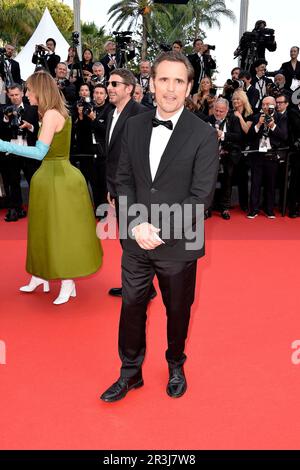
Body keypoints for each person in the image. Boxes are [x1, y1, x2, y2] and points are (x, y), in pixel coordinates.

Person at [100, 52, 219, 403]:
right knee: (132, 306)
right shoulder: (134, 126)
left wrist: (160, 231)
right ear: (151, 84)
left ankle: (175, 363)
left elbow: (201, 197)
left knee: (178, 310)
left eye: (178, 81)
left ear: (189, 87)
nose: (170, 88)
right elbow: (122, 179)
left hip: (179, 242)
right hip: (136, 239)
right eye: (163, 79)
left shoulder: (203, 134)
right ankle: (129, 372)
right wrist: (136, 224)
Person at [0, 71, 102, 304]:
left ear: (40, 90)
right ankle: (40, 275)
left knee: (61, 231)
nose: (27, 94)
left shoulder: (51, 115)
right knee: (41, 228)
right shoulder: (51, 113)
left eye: (29, 90)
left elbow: (38, 152)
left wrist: (4, 144)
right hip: (50, 178)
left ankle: (67, 281)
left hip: (58, 179)